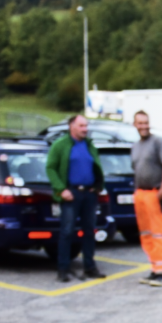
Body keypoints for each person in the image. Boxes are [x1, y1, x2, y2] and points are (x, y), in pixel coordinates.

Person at [45, 114, 106, 283]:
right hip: (71, 193)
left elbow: (96, 165)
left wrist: (98, 186)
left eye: (86, 126)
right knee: (66, 231)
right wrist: (61, 189)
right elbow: (50, 168)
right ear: (72, 126)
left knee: (89, 231)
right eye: (81, 126)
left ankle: (90, 266)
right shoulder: (61, 145)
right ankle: (63, 268)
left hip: (89, 193)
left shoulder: (89, 145)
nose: (85, 129)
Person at [129, 111, 162, 286]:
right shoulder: (135, 146)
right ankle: (155, 268)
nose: (143, 126)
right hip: (141, 194)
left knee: (160, 233)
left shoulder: (158, 142)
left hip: (156, 194)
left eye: (146, 122)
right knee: (147, 233)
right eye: (140, 123)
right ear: (134, 125)